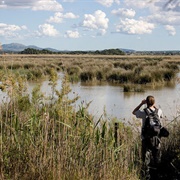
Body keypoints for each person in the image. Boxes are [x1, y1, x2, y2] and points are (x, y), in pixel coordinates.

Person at [132, 95, 163, 179]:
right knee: (157, 158)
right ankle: (157, 176)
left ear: (146, 102)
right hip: (157, 139)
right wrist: (154, 106)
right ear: (154, 102)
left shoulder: (144, 112)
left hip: (146, 139)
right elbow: (160, 116)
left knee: (145, 160)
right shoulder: (159, 111)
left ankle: (146, 176)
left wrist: (141, 104)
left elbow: (134, 112)